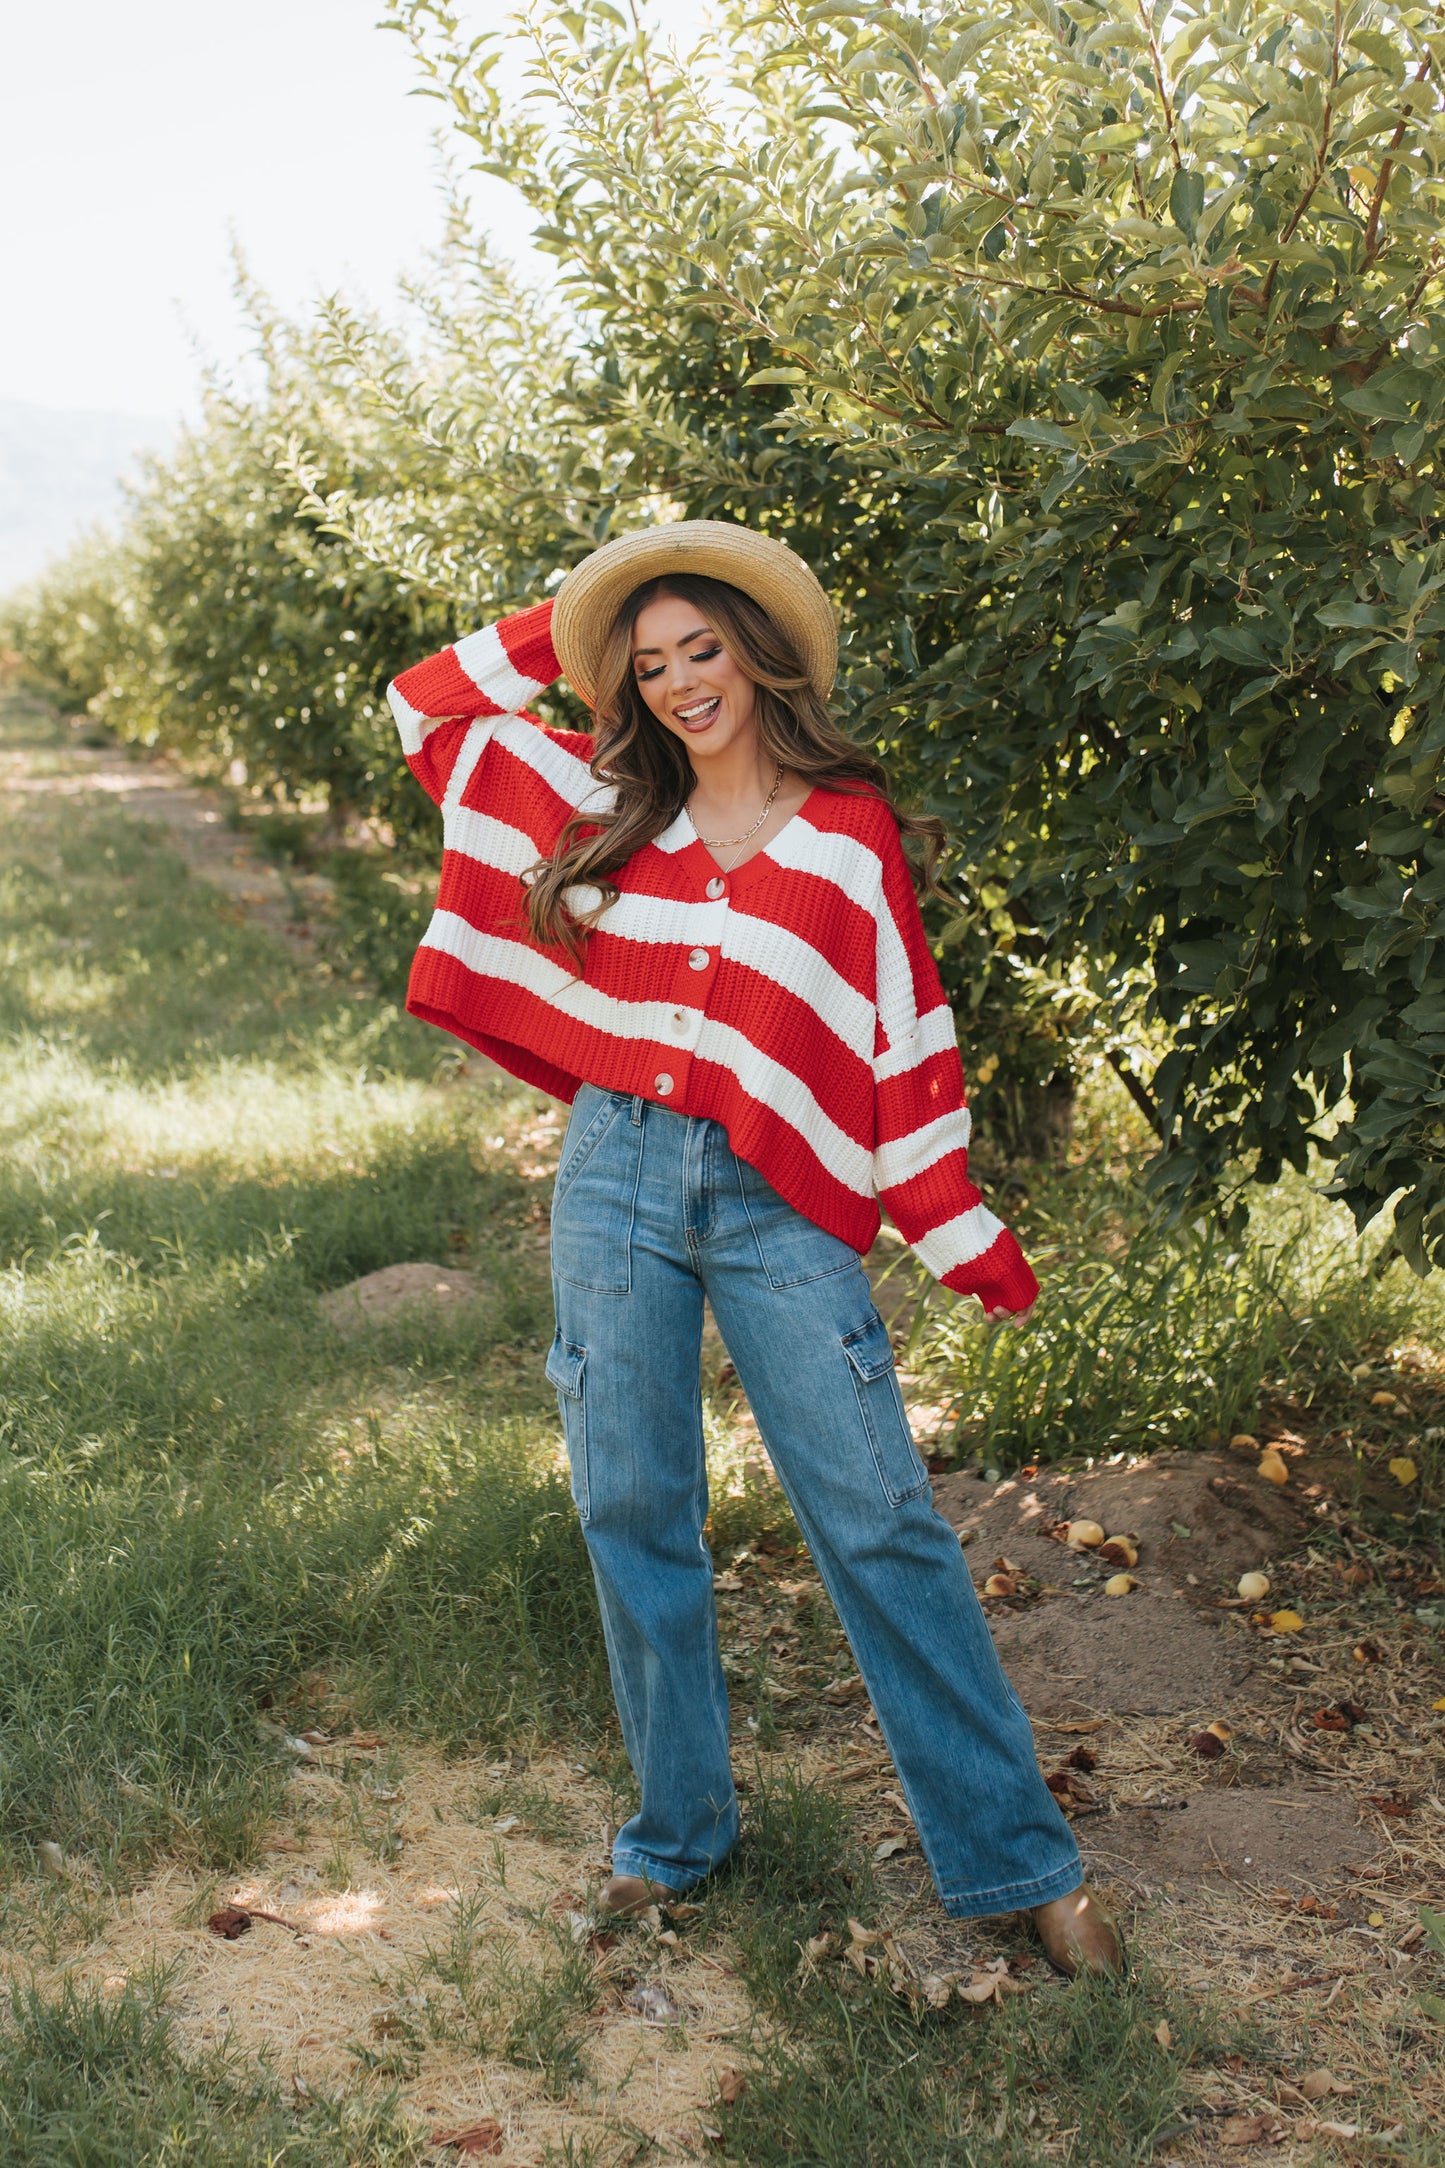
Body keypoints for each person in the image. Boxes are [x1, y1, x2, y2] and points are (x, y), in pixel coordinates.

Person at [387, 521, 1121, 1975]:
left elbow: (900, 1031)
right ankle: (677, 1839)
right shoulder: (605, 800)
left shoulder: (844, 831)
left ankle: (1019, 1864)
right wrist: (576, 622)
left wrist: (954, 1223)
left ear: (754, 652)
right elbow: (423, 706)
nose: (674, 685)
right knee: (631, 1509)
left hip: (778, 1196)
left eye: (697, 649)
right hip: (611, 1176)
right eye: (646, 664)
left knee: (877, 1516)